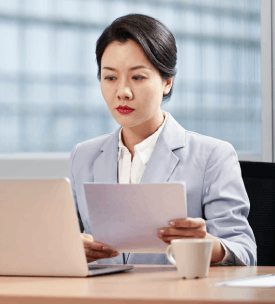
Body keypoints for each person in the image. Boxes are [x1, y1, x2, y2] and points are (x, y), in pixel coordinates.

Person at [68, 14, 257, 266]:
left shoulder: (213, 155)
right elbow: (69, 240)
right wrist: (71, 247)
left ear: (167, 82)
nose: (122, 92)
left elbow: (245, 253)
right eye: (110, 77)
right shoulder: (84, 156)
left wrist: (207, 246)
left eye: (137, 77)